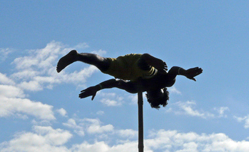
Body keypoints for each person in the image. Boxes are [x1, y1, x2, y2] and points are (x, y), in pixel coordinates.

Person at [57, 50, 202, 109]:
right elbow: (174, 69)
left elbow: (116, 83)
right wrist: (185, 73)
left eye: (151, 97)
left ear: (147, 96)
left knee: (105, 65)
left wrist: (97, 88)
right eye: (157, 94)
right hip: (143, 64)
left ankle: (77, 56)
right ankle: (147, 60)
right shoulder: (166, 82)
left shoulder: (136, 88)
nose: (153, 93)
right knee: (150, 73)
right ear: (163, 91)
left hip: (126, 69)